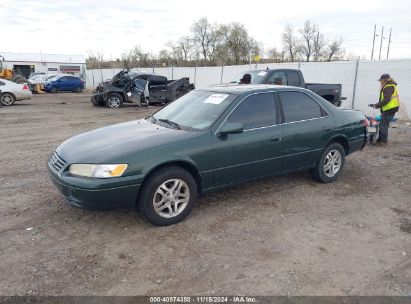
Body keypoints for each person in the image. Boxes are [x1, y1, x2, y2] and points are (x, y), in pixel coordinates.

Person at [369, 74, 399, 146]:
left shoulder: (388, 87)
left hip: (390, 108)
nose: (380, 82)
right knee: (383, 124)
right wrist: (376, 104)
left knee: (383, 124)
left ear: (384, 80)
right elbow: (385, 99)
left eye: (380, 80)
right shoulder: (389, 85)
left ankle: (383, 142)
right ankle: (380, 140)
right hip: (390, 108)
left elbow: (386, 99)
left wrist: (377, 105)